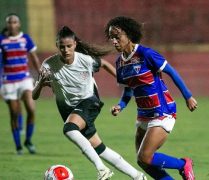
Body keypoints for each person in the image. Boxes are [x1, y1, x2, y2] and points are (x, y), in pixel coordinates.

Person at [32, 26, 147, 180]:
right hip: (70, 111)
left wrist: (123, 81)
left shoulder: (85, 60)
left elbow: (104, 64)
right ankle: (138, 176)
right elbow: (34, 95)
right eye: (62, 47)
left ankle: (102, 170)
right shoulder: (48, 65)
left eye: (69, 46)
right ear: (57, 46)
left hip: (89, 101)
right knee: (100, 148)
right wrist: (40, 84)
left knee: (69, 129)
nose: (66, 50)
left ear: (75, 45)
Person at [105, 16, 198, 180]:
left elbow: (171, 72)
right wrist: (120, 105)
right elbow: (128, 91)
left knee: (145, 156)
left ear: (129, 35)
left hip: (162, 111)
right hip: (143, 115)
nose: (113, 41)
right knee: (143, 162)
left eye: (117, 36)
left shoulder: (146, 54)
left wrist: (188, 96)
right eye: (111, 37)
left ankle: (183, 164)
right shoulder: (120, 63)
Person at [0, 13, 40, 155]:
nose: (12, 24)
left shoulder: (26, 38)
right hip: (8, 82)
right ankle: (18, 147)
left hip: (24, 79)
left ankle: (28, 140)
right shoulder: (2, 40)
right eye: (10, 22)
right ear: (7, 24)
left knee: (31, 109)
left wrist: (41, 73)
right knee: (14, 114)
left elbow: (34, 58)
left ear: (19, 24)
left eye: (15, 22)